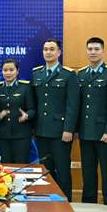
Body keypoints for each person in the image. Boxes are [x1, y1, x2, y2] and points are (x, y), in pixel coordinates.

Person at [31, 38, 79, 201]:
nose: (48, 52)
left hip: (61, 132)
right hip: (41, 130)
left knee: (63, 170)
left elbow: (73, 105)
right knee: (45, 171)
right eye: (45, 49)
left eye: (52, 49)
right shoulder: (37, 73)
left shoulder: (68, 74)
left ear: (59, 52)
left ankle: (66, 203)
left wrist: (69, 129)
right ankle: (48, 203)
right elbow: (34, 104)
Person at [76, 37, 107, 206]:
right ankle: (89, 204)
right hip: (86, 132)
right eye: (90, 49)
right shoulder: (81, 74)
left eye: (96, 49)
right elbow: (79, 105)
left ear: (103, 51)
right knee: (88, 171)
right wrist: (77, 129)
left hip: (104, 133)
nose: (93, 52)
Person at [0, 58, 35, 164]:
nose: (8, 73)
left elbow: (33, 109)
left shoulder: (25, 87)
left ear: (17, 71)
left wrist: (27, 115)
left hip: (22, 135)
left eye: (11, 70)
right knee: (5, 166)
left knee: (20, 166)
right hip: (3, 135)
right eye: (5, 70)